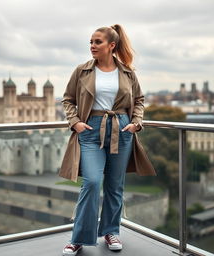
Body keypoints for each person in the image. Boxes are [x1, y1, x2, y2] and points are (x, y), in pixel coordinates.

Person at [59, 24, 156, 256]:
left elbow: (140, 99)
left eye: (97, 42)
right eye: (91, 42)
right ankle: (79, 237)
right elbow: (67, 99)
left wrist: (136, 122)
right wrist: (75, 122)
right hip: (90, 131)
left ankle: (111, 231)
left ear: (111, 45)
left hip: (122, 131)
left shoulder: (128, 73)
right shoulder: (81, 70)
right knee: (91, 182)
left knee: (115, 186)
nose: (92, 46)